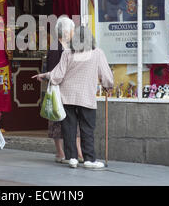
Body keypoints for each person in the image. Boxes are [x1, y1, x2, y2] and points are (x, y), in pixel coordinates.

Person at [33, 26, 114, 169]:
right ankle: (89, 159)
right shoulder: (97, 53)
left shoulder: (67, 53)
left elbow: (57, 75)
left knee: (69, 128)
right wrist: (108, 86)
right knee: (87, 128)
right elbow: (106, 76)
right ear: (91, 39)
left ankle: (72, 158)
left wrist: (44, 75)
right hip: (86, 97)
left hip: (67, 96)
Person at [46, 16, 83, 164]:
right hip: (59, 88)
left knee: (71, 120)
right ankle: (62, 152)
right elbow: (54, 70)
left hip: (68, 88)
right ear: (67, 32)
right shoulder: (57, 47)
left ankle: (75, 152)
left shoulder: (68, 46)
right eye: (73, 30)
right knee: (58, 119)